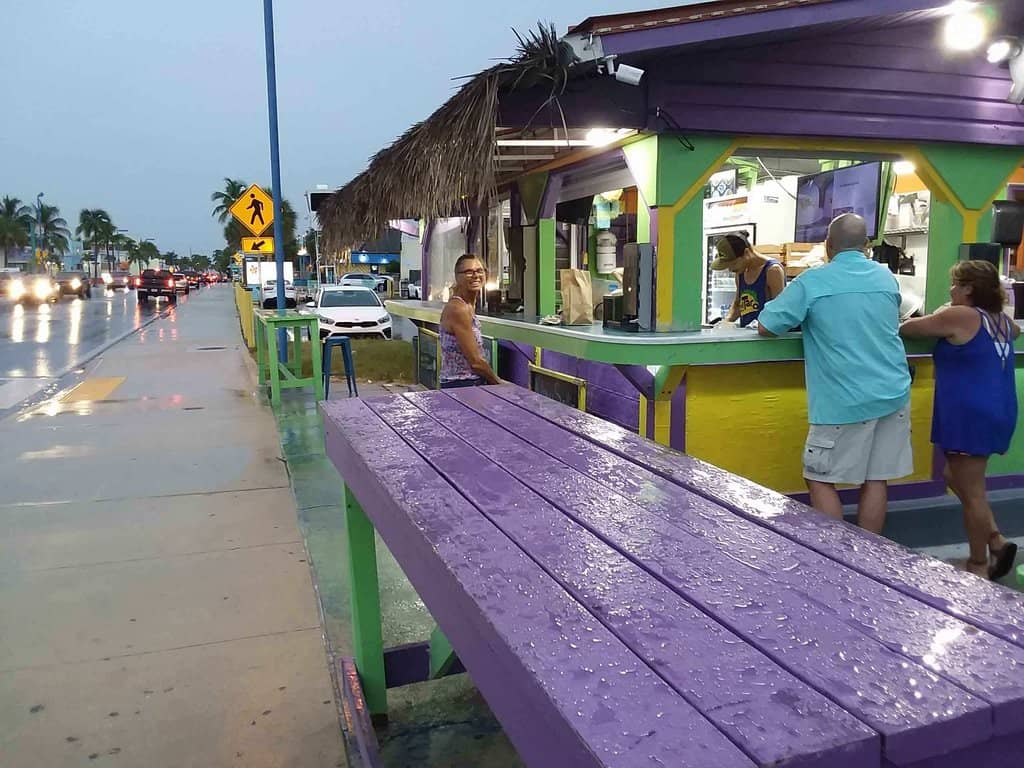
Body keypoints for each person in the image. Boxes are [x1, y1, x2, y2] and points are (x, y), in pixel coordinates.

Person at [758, 213, 912, 533]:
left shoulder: (813, 281)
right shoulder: (886, 279)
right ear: (867, 245)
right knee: (875, 477)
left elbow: (767, 326)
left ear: (828, 246)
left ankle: (839, 565)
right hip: (894, 391)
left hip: (843, 400)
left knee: (818, 477)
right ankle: (867, 563)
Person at [900, 260, 1020, 579]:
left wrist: (940, 312)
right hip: (999, 408)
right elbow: (1015, 332)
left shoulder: (961, 315)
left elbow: (907, 328)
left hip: (969, 411)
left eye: (955, 284)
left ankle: (989, 549)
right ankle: (982, 555)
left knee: (973, 491)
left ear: (969, 288)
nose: (951, 289)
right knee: (956, 476)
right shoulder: (1003, 321)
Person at [439, 254, 501, 389]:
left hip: (470, 384)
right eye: (468, 272)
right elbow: (476, 362)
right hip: (462, 386)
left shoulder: (468, 306)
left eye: (480, 271)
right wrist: (499, 383)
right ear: (457, 277)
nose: (475, 275)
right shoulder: (458, 309)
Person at [711, 234, 785, 327]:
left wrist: (763, 326)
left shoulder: (772, 270)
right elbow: (738, 304)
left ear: (746, 253)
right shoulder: (740, 273)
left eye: (733, 263)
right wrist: (726, 321)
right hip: (747, 336)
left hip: (766, 336)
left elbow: (779, 308)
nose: (730, 269)